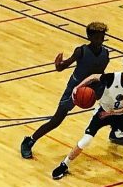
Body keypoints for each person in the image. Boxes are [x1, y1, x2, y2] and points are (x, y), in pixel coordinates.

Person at [51, 51, 123, 179]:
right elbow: (93, 77)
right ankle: (65, 164)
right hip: (101, 112)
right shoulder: (112, 78)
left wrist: (112, 112)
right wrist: (78, 87)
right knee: (86, 141)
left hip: (119, 115)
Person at [21, 21, 112, 158]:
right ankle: (29, 141)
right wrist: (58, 64)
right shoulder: (81, 51)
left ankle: (117, 131)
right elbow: (62, 67)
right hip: (77, 87)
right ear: (89, 37)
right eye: (97, 37)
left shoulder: (105, 53)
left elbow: (100, 71)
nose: (100, 40)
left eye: (102, 37)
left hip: (95, 85)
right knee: (57, 120)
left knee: (116, 102)